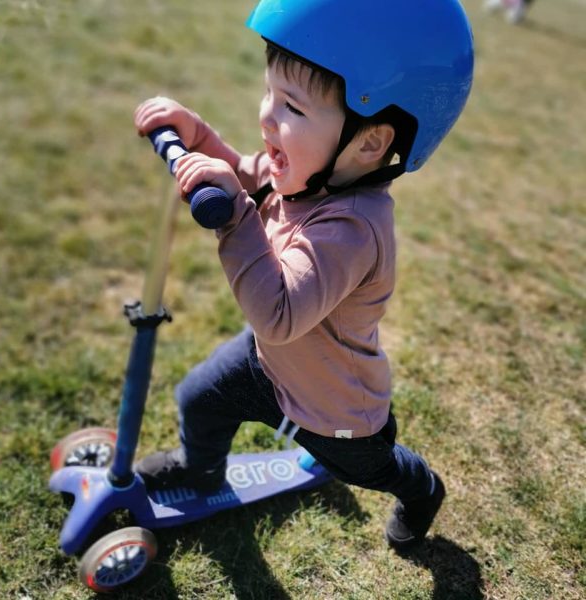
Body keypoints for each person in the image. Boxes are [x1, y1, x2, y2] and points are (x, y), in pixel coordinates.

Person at [133, 0, 473, 550]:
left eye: (291, 106)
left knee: (365, 468)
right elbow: (247, 175)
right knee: (200, 396)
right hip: (269, 363)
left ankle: (420, 487)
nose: (267, 116)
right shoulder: (307, 173)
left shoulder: (352, 229)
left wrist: (236, 217)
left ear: (369, 142)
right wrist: (197, 137)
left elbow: (280, 314)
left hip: (331, 403)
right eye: (268, 92)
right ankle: (201, 472)